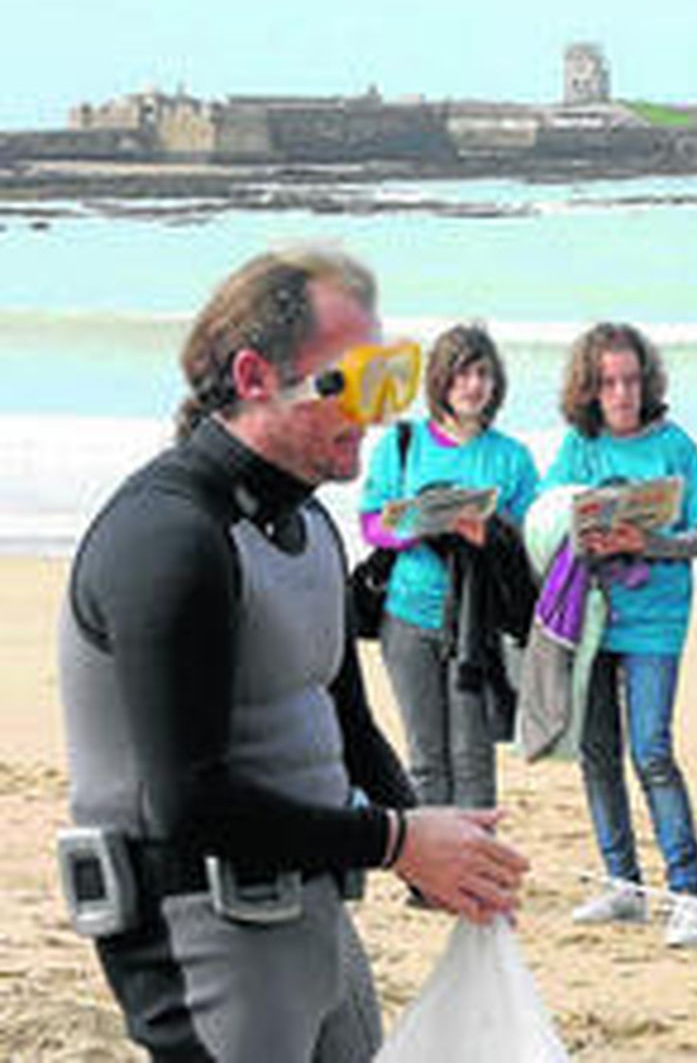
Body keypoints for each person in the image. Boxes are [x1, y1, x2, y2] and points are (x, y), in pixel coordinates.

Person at [57, 247, 529, 1062]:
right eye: (355, 384)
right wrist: (393, 841)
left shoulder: (308, 526)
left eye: (392, 379)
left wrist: (433, 846)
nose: (379, 415)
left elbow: (345, 721)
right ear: (254, 376)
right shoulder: (169, 539)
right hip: (197, 932)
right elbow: (188, 802)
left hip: (313, 913)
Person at [545, 322, 697, 948]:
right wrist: (578, 531)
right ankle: (623, 883)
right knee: (597, 753)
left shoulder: (675, 446)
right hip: (590, 617)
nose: (621, 393)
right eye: (608, 382)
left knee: (651, 751)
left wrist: (650, 542)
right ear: (589, 388)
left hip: (655, 622)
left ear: (647, 381)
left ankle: (689, 894)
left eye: (630, 380)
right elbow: (544, 522)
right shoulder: (579, 446)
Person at [360, 323, 539, 810]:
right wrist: (416, 527)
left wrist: (492, 534)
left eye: (482, 374)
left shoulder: (512, 458)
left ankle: (476, 884)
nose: (473, 385)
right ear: (441, 380)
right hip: (408, 617)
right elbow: (371, 523)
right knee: (425, 760)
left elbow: (530, 545)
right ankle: (429, 885)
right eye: (461, 374)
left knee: (472, 758)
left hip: (476, 627)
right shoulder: (401, 443)